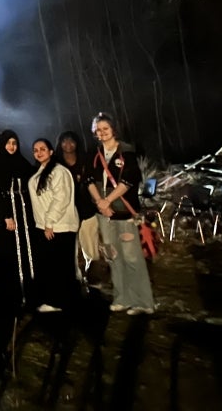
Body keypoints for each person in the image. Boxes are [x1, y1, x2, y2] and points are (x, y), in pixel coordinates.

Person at [86, 112, 154, 315]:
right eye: (98, 130)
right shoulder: (94, 154)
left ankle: (144, 301)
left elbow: (129, 181)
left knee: (132, 257)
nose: (102, 133)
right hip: (104, 214)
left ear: (113, 129)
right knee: (113, 256)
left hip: (124, 212)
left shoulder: (126, 151)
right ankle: (122, 297)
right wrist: (100, 202)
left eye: (105, 128)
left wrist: (108, 200)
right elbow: (88, 180)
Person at [0, 130, 36, 311]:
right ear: (2, 144)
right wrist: (6, 216)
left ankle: (28, 291)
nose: (11, 147)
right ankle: (9, 294)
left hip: (24, 216)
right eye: (8, 143)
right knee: (7, 253)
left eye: (14, 143)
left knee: (26, 253)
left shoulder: (22, 162)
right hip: (5, 216)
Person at [28, 138, 80, 313]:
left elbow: (61, 199)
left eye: (43, 149)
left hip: (60, 226)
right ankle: (54, 299)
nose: (39, 152)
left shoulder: (59, 172)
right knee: (50, 264)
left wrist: (49, 222)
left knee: (60, 265)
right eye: (35, 150)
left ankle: (60, 301)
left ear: (51, 152)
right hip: (46, 226)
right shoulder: (39, 172)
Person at [57, 130, 98, 282]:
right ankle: (73, 278)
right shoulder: (55, 163)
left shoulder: (86, 161)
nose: (68, 144)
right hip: (66, 213)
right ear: (59, 144)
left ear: (77, 143)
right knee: (68, 249)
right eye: (64, 141)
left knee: (91, 246)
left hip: (87, 210)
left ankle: (92, 275)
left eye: (71, 141)